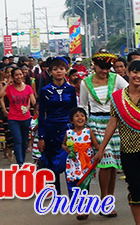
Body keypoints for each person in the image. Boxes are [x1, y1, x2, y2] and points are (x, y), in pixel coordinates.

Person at [97, 60, 140, 225]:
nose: (138, 76)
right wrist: (101, 148)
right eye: (135, 72)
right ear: (128, 72)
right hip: (127, 151)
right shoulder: (118, 97)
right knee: (135, 190)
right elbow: (113, 123)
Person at [79, 52, 127, 209]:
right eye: (102, 67)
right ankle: (104, 198)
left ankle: (109, 199)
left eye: (108, 68)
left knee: (113, 165)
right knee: (105, 162)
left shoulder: (117, 79)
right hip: (96, 125)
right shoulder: (85, 83)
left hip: (115, 124)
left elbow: (130, 93)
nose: (105, 71)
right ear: (94, 66)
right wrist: (83, 128)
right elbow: (83, 106)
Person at [38, 57, 78, 193]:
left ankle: (73, 196)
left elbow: (75, 112)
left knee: (70, 162)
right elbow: (41, 114)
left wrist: (77, 131)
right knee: (51, 163)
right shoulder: (45, 91)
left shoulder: (71, 90)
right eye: (55, 69)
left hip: (67, 130)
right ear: (50, 72)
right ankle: (56, 194)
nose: (58, 71)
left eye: (61, 68)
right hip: (50, 130)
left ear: (66, 71)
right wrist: (41, 136)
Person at [63, 107, 100, 220]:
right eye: (77, 116)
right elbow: (63, 144)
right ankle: (79, 207)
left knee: (84, 186)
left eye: (82, 115)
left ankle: (84, 208)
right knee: (75, 186)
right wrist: (67, 149)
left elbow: (95, 145)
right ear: (71, 120)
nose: (80, 117)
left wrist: (101, 151)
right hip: (73, 163)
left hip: (86, 163)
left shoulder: (88, 131)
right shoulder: (69, 133)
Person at [0, 67, 36, 166]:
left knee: (24, 141)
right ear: (13, 77)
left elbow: (33, 101)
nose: (19, 76)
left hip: (26, 118)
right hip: (13, 118)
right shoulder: (9, 88)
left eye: (20, 74)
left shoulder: (28, 88)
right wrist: (7, 83)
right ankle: (20, 163)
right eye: (16, 75)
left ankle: (21, 159)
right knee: (17, 140)